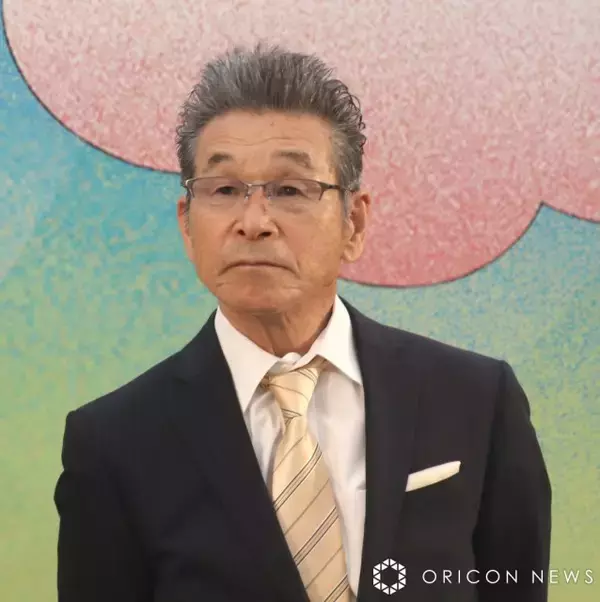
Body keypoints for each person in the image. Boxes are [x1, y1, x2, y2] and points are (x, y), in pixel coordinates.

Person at [54, 43, 551, 602]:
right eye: (224, 190)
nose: (253, 222)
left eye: (289, 189)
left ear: (353, 223)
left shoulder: (476, 401)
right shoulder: (115, 443)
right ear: (187, 225)